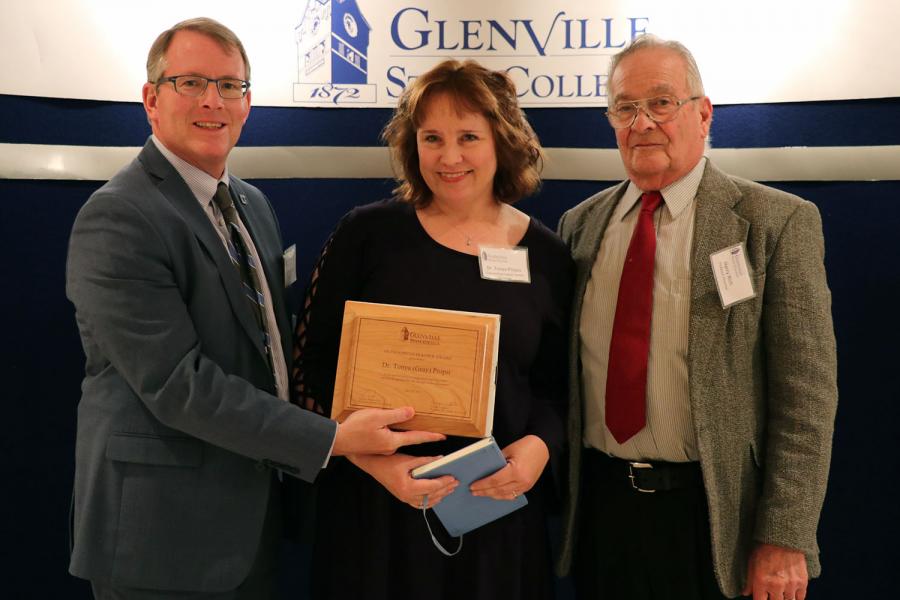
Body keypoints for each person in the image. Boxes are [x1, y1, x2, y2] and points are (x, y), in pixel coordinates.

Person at [65, 17, 443, 599]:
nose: (212, 100)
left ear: (247, 103)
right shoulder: (118, 216)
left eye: (230, 85)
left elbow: (269, 346)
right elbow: (177, 384)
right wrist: (334, 437)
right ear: (151, 99)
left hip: (251, 523)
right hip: (161, 536)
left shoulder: (251, 204)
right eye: (190, 82)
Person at [555, 35, 838, 600]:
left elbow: (806, 398)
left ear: (702, 114)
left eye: (661, 103)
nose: (642, 123)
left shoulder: (773, 223)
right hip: (601, 516)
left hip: (714, 520)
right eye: (625, 108)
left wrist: (785, 536)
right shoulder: (579, 227)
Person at [292, 59, 573, 599]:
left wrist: (538, 448)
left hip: (494, 516)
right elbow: (308, 368)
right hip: (376, 513)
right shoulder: (366, 235)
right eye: (432, 138)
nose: (449, 157)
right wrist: (377, 463)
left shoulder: (548, 255)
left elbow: (557, 388)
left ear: (503, 142)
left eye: (469, 136)